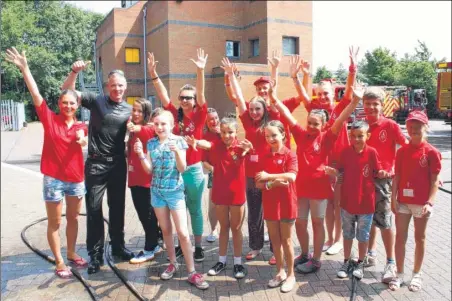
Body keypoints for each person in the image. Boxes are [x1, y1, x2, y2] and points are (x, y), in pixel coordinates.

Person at [6, 47, 88, 278]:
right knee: (55, 222)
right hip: (53, 180)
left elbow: (84, 139)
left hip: (76, 180)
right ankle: (60, 262)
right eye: (65, 103)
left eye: (72, 104)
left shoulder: (82, 126)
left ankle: (71, 252)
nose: (68, 106)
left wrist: (83, 141)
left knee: (73, 219)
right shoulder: (49, 119)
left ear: (77, 106)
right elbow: (35, 93)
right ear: (59, 104)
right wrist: (25, 68)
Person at [273, 79, 360, 274]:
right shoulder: (301, 135)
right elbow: (287, 116)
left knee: (317, 222)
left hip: (320, 188)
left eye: (315, 124)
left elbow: (340, 119)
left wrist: (354, 102)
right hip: (301, 187)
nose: (311, 126)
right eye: (309, 123)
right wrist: (273, 98)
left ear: (323, 125)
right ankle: (305, 254)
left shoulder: (328, 137)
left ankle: (317, 259)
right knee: (301, 222)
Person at [62, 61, 135, 274]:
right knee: (94, 210)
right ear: (107, 86)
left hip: (118, 164)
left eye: (120, 85)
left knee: (118, 208)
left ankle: (118, 248)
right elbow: (68, 91)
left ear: (125, 86)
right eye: (113, 85)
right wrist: (75, 71)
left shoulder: (130, 109)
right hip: (96, 164)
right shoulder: (96, 101)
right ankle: (95, 255)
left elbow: (146, 127)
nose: (117, 89)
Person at [290, 47, 359, 256]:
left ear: (332, 93)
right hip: (322, 166)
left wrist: (352, 68)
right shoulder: (316, 111)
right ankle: (329, 238)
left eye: (326, 93)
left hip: (338, 163)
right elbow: (303, 96)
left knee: (337, 203)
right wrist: (297, 77)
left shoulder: (339, 108)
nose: (322, 97)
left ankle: (337, 239)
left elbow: (349, 92)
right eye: (319, 94)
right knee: (327, 204)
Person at [133, 109, 209, 290]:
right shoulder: (151, 143)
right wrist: (141, 155)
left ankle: (191, 272)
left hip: (174, 192)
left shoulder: (179, 141)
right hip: (157, 192)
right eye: (156, 124)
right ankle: (173, 263)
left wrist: (176, 152)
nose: (159, 127)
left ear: (172, 125)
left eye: (163, 124)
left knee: (182, 232)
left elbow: (182, 169)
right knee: (166, 230)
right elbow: (149, 170)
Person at [148, 48, 208, 262]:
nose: (184, 100)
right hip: (174, 172)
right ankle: (182, 244)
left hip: (192, 170)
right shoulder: (175, 115)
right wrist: (153, 73)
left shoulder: (200, 114)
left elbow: (201, 94)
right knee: (176, 210)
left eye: (188, 98)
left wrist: (200, 71)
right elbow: (163, 95)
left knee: (194, 208)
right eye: (182, 97)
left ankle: (198, 246)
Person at [221, 57, 276, 264]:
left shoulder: (271, 122)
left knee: (271, 212)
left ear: (264, 110)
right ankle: (255, 246)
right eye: (251, 109)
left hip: (269, 174)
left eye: (257, 109)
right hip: (251, 176)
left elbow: (272, 92)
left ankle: (275, 248)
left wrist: (275, 71)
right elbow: (239, 97)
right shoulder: (247, 121)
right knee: (254, 213)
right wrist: (231, 76)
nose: (253, 112)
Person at [186, 118, 252, 279]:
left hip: (236, 195)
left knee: (236, 229)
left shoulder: (242, 147)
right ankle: (221, 261)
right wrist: (195, 141)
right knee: (223, 228)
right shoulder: (216, 145)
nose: (226, 135)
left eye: (230, 132)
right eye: (223, 132)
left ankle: (238, 263)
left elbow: (252, 153)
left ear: (236, 132)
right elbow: (205, 144)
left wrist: (249, 150)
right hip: (220, 194)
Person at [324, 120, 387, 279]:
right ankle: (346, 261)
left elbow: (378, 170)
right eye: (353, 136)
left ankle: (360, 262)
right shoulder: (345, 152)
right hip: (347, 203)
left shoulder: (372, 152)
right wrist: (332, 171)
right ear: (350, 136)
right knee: (347, 234)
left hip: (366, 204)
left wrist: (383, 173)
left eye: (360, 136)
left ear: (368, 136)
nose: (357, 139)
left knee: (363, 236)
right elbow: (339, 171)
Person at [389, 111, 441, 292]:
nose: (414, 129)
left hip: (421, 204)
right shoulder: (402, 151)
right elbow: (397, 176)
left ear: (425, 127)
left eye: (418, 125)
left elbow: (435, 181)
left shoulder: (432, 152)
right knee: (400, 238)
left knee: (420, 238)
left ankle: (416, 274)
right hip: (403, 201)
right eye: (411, 125)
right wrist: (393, 198)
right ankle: (399, 274)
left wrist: (430, 202)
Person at [361, 87, 408, 283]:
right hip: (364, 182)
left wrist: (392, 170)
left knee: (385, 222)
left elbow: (406, 148)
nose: (371, 107)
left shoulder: (390, 125)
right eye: (368, 103)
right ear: (363, 105)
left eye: (375, 104)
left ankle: (390, 262)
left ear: (382, 106)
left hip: (383, 182)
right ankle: (369, 254)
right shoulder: (361, 127)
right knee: (369, 220)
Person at [255, 118, 298, 293]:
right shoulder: (264, 155)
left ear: (283, 134)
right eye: (267, 136)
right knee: (275, 241)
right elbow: (259, 183)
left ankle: (291, 275)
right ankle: (279, 272)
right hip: (271, 203)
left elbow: (291, 177)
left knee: (287, 240)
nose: (271, 139)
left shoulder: (290, 154)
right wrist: (273, 182)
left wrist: (269, 176)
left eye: (274, 135)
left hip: (287, 203)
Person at [126, 99, 163, 264]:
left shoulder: (148, 129)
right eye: (133, 110)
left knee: (147, 216)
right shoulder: (134, 130)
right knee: (145, 216)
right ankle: (155, 243)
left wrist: (135, 127)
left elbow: (143, 129)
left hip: (146, 181)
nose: (135, 114)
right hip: (135, 180)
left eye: (139, 111)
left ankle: (150, 248)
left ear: (146, 113)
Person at [202, 108, 221, 243]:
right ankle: (214, 230)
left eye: (215, 118)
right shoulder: (205, 138)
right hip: (215, 173)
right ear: (206, 122)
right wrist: (213, 169)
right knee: (213, 204)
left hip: (231, 174)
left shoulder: (226, 131)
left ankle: (228, 228)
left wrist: (221, 134)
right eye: (210, 119)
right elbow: (204, 161)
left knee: (230, 205)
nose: (214, 121)